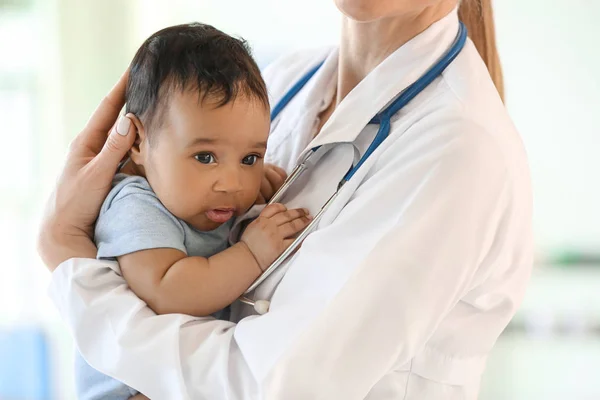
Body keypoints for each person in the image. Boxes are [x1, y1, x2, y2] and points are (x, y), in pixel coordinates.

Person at [38, 0, 534, 398]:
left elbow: (270, 385)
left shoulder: (458, 147)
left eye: (249, 161)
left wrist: (69, 259)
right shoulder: (283, 82)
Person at [72, 23, 312, 400]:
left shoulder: (203, 196)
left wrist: (257, 177)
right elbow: (169, 291)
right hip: (130, 389)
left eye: (249, 157)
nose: (231, 182)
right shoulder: (135, 203)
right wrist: (251, 253)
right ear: (136, 142)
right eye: (205, 157)